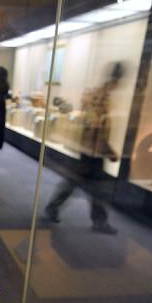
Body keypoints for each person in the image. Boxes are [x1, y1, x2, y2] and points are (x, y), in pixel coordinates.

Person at [45, 62, 123, 234]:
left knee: (78, 183)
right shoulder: (102, 98)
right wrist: (108, 151)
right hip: (92, 151)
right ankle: (98, 221)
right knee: (92, 187)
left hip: (90, 150)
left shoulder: (99, 94)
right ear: (116, 80)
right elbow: (96, 129)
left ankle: (55, 208)